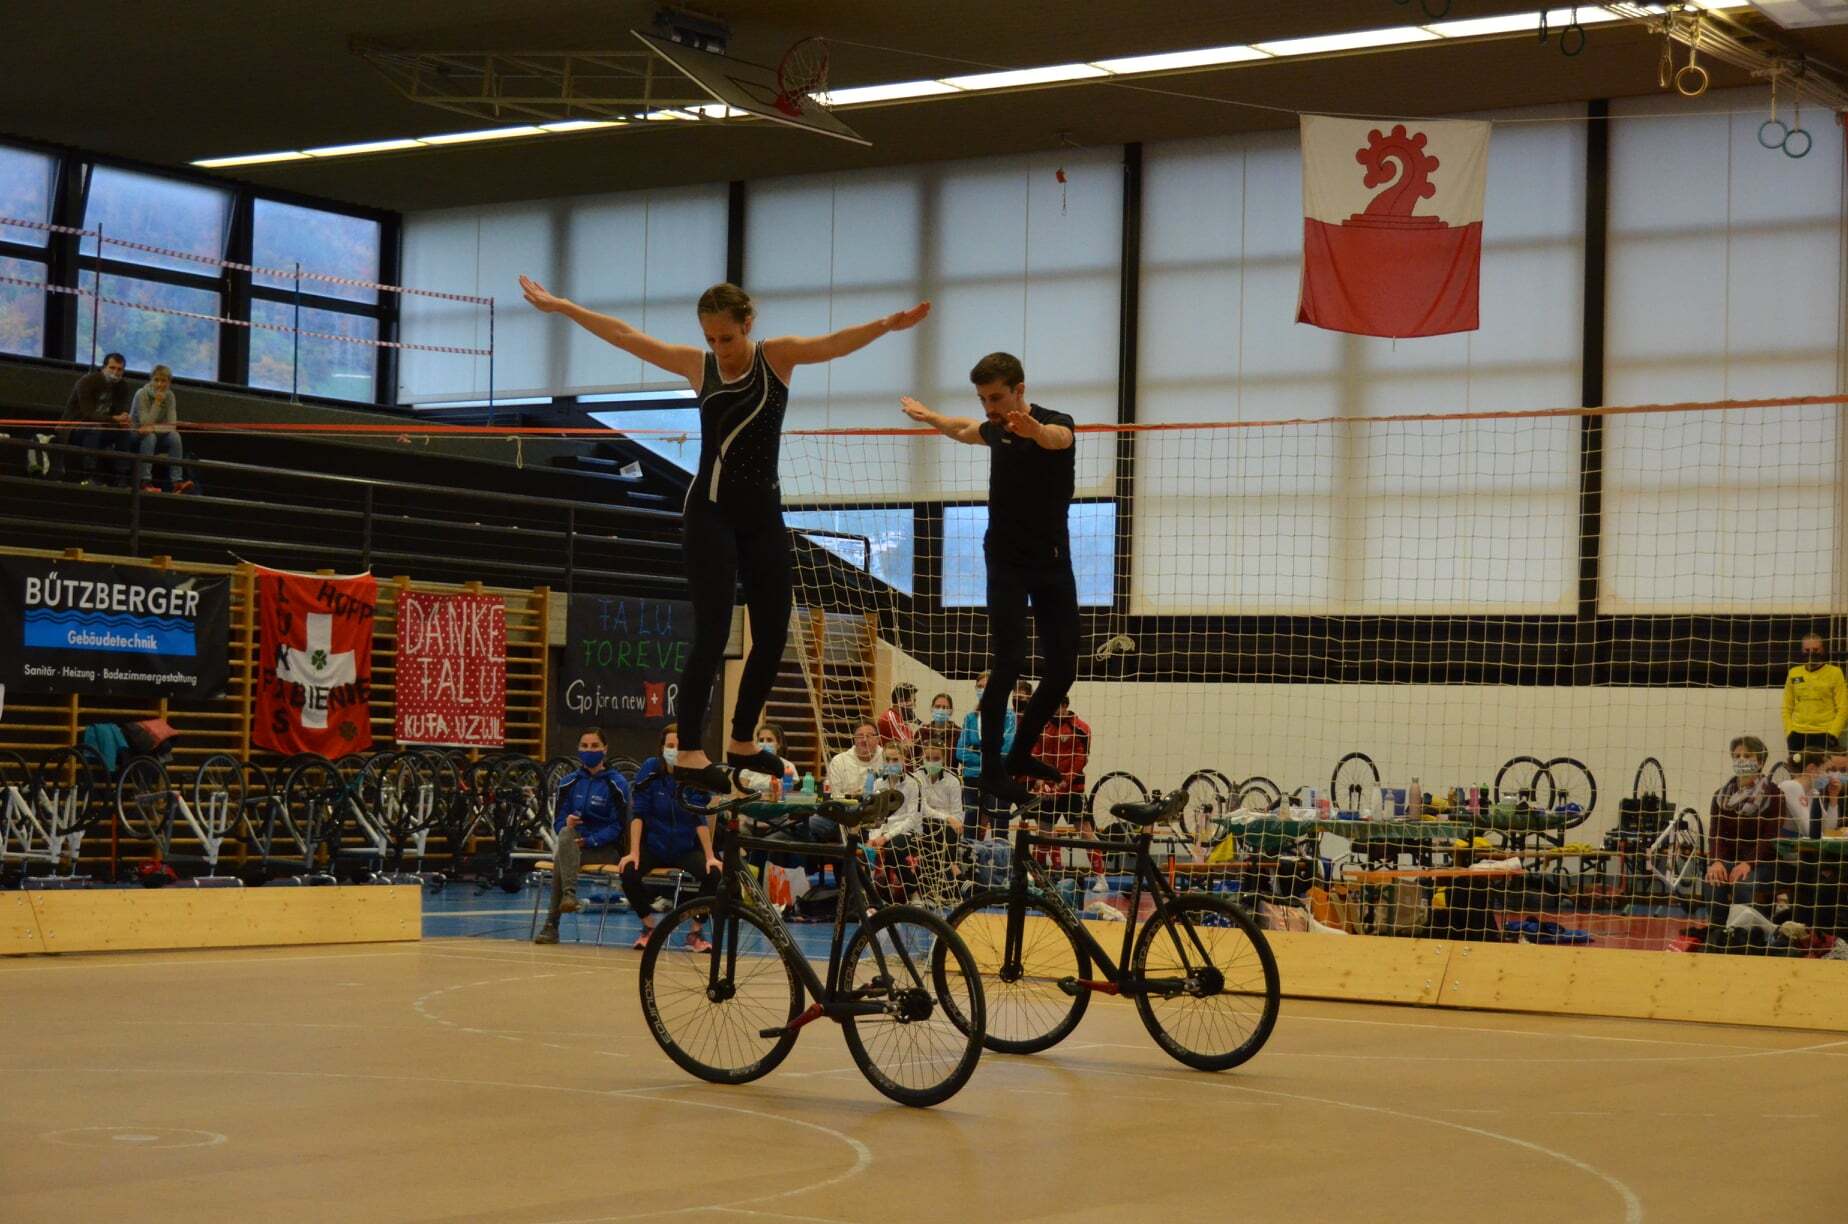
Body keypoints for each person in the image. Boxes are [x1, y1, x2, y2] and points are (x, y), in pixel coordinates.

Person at [521, 274, 929, 791]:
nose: (720, 348)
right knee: (713, 633)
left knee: (774, 632)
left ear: (748, 324)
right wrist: (563, 306)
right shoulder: (701, 367)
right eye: (711, 338)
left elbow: (834, 343)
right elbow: (626, 336)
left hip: (762, 516)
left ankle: (740, 740)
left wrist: (888, 324)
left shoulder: (775, 358)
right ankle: (689, 747)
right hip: (709, 514)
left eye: (727, 338)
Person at [903, 353, 1078, 807]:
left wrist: (1034, 431)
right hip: (1005, 561)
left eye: (996, 397)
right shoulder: (995, 428)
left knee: (1063, 670)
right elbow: (964, 430)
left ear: (1020, 389)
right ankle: (996, 771)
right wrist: (931, 417)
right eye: (983, 399)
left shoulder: (1055, 424)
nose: (989, 407)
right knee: (1009, 662)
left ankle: (1020, 753)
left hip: (1052, 562)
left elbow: (1059, 439)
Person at [619, 724, 723, 951]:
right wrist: (634, 852)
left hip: (685, 848)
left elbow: (700, 819)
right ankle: (649, 927)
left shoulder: (695, 774)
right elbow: (638, 815)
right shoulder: (650, 770)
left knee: (715, 874)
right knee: (628, 872)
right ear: (662, 748)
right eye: (670, 746)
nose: (674, 751)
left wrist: (710, 856)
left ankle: (695, 932)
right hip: (655, 846)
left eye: (680, 746)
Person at [535, 728, 632, 945]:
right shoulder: (569, 782)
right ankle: (568, 897)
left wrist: (590, 841)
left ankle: (552, 924)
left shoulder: (616, 783)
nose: (590, 750)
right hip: (575, 844)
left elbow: (619, 826)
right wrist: (566, 823)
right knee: (566, 833)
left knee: (562, 858)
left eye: (595, 746)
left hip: (605, 849)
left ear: (605, 749)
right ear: (579, 749)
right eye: (585, 746)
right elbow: (558, 821)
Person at [1705, 735, 1783, 924]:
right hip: (1728, 859)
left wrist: (1748, 863)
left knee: (1743, 883)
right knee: (1713, 880)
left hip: (1762, 862)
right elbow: (1715, 833)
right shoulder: (1720, 795)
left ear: (1760, 761)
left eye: (1747, 755)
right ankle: (1717, 931)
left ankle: (1742, 934)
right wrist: (1717, 861)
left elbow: (1770, 837)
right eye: (1737, 756)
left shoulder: (1774, 795)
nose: (1741, 760)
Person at [57, 352, 133, 484]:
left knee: (124, 432)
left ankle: (121, 477)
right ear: (104, 367)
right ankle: (89, 474)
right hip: (75, 427)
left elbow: (121, 411)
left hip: (104, 427)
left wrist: (124, 419)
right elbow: (88, 414)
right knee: (94, 428)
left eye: (119, 369)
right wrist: (115, 419)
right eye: (112, 368)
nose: (116, 372)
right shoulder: (87, 382)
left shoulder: (123, 386)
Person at [956, 670, 1017, 834]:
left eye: (988, 686)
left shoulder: (1009, 717)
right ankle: (969, 857)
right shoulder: (970, 717)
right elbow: (960, 752)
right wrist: (987, 756)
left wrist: (976, 751)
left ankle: (999, 857)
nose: (983, 690)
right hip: (972, 777)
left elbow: (1006, 750)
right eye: (980, 686)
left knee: (998, 823)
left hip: (997, 777)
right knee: (971, 821)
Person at [1031, 696, 1091, 831]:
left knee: (1085, 832)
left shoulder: (1081, 728)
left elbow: (1081, 759)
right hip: (1048, 790)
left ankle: (1097, 853)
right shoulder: (1042, 726)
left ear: (1065, 705)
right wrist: (1039, 780)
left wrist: (1064, 781)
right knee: (1043, 833)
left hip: (1073, 789)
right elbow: (1036, 754)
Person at [1782, 634, 1847, 759]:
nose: (1811, 653)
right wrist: (1790, 732)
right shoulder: (1793, 673)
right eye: (1807, 650)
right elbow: (1786, 707)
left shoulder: (1835, 673)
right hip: (1797, 735)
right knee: (1798, 774)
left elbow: (1843, 707)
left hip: (1824, 734)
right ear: (1802, 651)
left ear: (1822, 650)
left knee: (1824, 776)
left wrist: (1833, 734)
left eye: (1815, 650)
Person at [131, 364, 192, 494]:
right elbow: (145, 423)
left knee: (174, 436)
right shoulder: (141, 394)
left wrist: (153, 428)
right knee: (150, 436)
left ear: (169, 382)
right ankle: (145, 481)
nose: (159, 384)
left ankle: (177, 482)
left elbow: (172, 425)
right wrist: (157, 403)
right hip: (136, 435)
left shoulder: (170, 396)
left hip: (156, 433)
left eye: (163, 381)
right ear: (151, 380)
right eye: (156, 380)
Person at [735, 721, 799, 796]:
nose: (765, 743)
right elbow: (740, 794)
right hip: (752, 806)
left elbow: (787, 795)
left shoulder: (788, 766)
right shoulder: (748, 766)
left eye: (769, 740)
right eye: (761, 740)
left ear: (778, 744)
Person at [877, 683, 920, 760]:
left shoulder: (901, 718)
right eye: (913, 701)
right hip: (889, 764)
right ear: (901, 701)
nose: (915, 705)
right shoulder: (890, 717)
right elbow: (907, 746)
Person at [919, 692, 959, 758]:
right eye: (937, 707)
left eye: (945, 707)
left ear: (951, 711)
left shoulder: (958, 734)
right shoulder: (922, 732)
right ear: (931, 709)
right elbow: (911, 758)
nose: (941, 710)